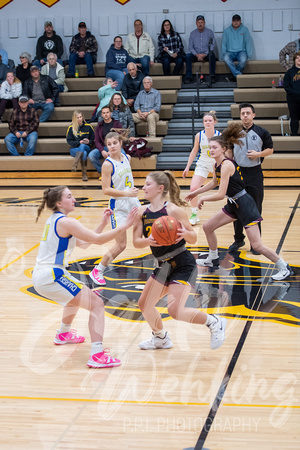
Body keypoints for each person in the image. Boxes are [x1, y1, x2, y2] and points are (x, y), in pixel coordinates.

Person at [32, 185, 137, 368]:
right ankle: (97, 354)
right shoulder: (66, 222)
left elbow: (85, 244)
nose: (73, 199)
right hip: (51, 275)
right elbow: (98, 240)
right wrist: (126, 225)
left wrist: (103, 223)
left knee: (74, 299)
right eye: (69, 196)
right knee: (96, 303)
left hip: (45, 274)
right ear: (59, 202)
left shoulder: (55, 220)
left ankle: (63, 334)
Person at [185, 125, 293, 282]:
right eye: (210, 147)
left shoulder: (227, 165)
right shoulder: (217, 164)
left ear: (223, 148)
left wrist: (203, 199)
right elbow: (214, 183)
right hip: (233, 203)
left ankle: (284, 267)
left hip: (244, 204)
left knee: (256, 245)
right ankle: (213, 258)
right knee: (208, 227)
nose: (211, 150)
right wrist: (196, 192)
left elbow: (221, 194)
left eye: (214, 147)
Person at [132, 170, 226, 350]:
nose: (144, 187)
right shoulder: (141, 212)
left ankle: (214, 322)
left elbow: (193, 238)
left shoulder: (173, 210)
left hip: (182, 263)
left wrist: (185, 233)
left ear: (160, 188)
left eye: (147, 184)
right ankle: (160, 338)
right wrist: (147, 240)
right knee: (145, 305)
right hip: (162, 265)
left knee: (175, 311)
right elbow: (136, 242)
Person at [89, 132, 140, 285]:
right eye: (109, 144)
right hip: (118, 206)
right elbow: (105, 190)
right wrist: (126, 192)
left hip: (132, 201)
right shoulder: (107, 164)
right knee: (121, 245)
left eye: (114, 143)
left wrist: (130, 192)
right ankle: (98, 270)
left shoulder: (127, 158)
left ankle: (162, 261)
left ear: (120, 143)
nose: (111, 146)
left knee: (149, 225)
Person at [227, 103, 273, 254]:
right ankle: (238, 239)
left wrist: (258, 155)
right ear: (240, 116)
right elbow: (228, 151)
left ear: (253, 115)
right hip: (237, 174)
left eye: (248, 113)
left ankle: (256, 244)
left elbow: (270, 149)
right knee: (236, 207)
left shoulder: (262, 132)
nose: (245, 115)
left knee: (255, 208)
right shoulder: (234, 132)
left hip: (255, 174)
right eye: (243, 113)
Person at [182, 111, 221, 225]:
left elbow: (224, 151)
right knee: (193, 188)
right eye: (205, 121)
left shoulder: (219, 135)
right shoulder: (199, 135)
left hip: (216, 164)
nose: (207, 122)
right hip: (203, 163)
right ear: (203, 123)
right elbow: (194, 151)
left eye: (210, 120)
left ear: (214, 122)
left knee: (227, 189)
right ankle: (194, 214)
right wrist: (187, 167)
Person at [88, 106, 123, 173]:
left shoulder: (117, 123)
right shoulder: (99, 125)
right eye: (104, 113)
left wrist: (112, 150)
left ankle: (118, 173)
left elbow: (121, 138)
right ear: (101, 115)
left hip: (116, 147)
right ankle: (103, 172)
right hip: (104, 147)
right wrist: (102, 151)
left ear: (111, 113)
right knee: (91, 155)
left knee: (123, 154)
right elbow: (97, 141)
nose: (106, 114)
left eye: (107, 112)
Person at [184, 15, 216, 84]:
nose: (200, 24)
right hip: (196, 54)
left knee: (212, 56)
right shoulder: (193, 33)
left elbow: (212, 45)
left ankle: (212, 76)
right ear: (196, 23)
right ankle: (188, 77)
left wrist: (205, 54)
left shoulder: (210, 32)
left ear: (204, 23)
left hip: (206, 53)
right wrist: (197, 55)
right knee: (187, 56)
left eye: (202, 22)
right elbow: (190, 47)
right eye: (198, 22)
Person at [222, 14, 252, 81]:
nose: (236, 22)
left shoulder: (245, 30)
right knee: (226, 58)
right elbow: (224, 43)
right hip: (230, 52)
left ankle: (235, 76)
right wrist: (223, 54)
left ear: (240, 21)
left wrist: (249, 55)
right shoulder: (226, 30)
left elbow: (248, 42)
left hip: (241, 51)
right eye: (234, 21)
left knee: (243, 60)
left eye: (237, 21)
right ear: (232, 21)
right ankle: (239, 75)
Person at [66, 110, 95, 181]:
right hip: (74, 149)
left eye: (80, 117)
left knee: (83, 146)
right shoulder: (71, 128)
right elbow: (69, 142)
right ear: (74, 119)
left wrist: (88, 142)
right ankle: (84, 175)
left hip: (87, 147)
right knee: (84, 153)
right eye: (77, 118)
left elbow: (94, 140)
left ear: (83, 117)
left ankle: (75, 164)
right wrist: (79, 142)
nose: (79, 119)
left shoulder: (88, 126)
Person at [283, 51, 300, 136]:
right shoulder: (289, 72)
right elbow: (286, 86)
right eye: (297, 58)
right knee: (294, 118)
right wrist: (296, 93)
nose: (299, 59)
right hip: (292, 99)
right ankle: (294, 135)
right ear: (294, 60)